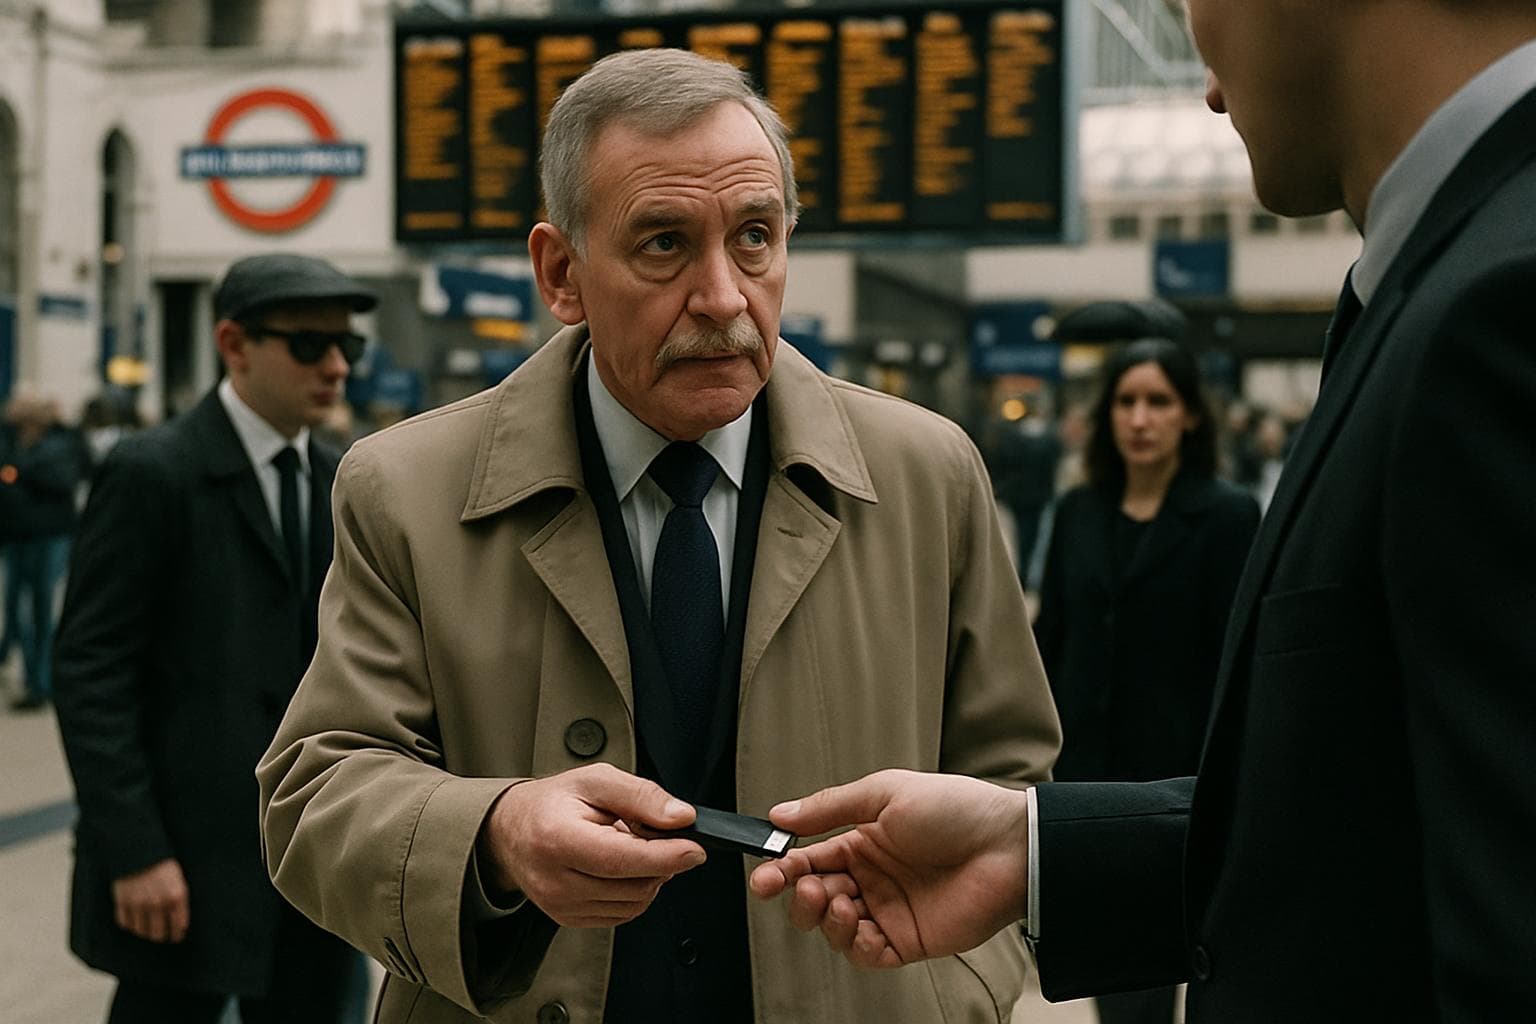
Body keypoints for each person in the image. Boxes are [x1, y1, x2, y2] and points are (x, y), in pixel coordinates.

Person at [751, 4, 1536, 1021]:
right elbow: (1379, 821)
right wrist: (1032, 845)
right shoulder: (1458, 276)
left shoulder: (1502, 305)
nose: (1204, 75)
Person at [255, 48, 1060, 1024]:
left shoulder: (927, 476)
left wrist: (957, 992)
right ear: (561, 272)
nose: (724, 295)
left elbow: (1012, 779)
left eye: (755, 237)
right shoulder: (407, 493)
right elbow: (316, 791)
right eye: (665, 244)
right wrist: (496, 834)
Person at [52, 253, 375, 1023]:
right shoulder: (153, 473)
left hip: (313, 860)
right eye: (308, 345)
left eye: (348, 347)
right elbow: (91, 671)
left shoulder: (346, 478)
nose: (335, 366)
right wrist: (134, 850)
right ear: (234, 345)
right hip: (182, 864)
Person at [1032, 338, 1257, 1024]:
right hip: (1085, 782)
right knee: (1107, 972)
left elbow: (1235, 662)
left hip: (1175, 787)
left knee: (1157, 981)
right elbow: (1050, 643)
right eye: (1126, 402)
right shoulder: (1079, 512)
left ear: (1190, 415)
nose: (1139, 418)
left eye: (1159, 401)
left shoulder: (1226, 517)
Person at [0, 389, 82, 710]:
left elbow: (62, 478)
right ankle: (34, 677)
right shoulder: (10, 441)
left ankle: (43, 681)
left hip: (49, 535)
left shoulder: (60, 442)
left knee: (43, 608)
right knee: (19, 610)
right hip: (17, 535)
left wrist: (19, 475)